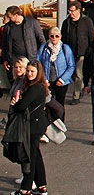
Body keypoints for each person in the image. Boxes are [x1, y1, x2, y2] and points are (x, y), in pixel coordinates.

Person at [8, 60, 50, 195]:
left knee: (29, 158)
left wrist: (15, 104)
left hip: (33, 126)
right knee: (36, 155)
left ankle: (25, 189)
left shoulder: (35, 87)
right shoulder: (38, 86)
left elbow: (21, 106)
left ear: (38, 73)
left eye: (32, 71)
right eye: (28, 71)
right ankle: (42, 185)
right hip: (37, 124)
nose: (29, 74)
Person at [37, 28, 76, 118]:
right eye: (52, 36)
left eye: (57, 36)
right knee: (48, 103)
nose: (54, 38)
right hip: (47, 81)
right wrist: (43, 79)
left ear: (60, 37)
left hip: (61, 82)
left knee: (59, 104)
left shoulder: (65, 48)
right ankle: (49, 124)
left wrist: (62, 79)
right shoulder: (43, 48)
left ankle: (60, 124)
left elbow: (71, 66)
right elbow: (38, 64)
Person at [61, 2, 94, 105]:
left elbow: (91, 36)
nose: (71, 13)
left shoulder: (86, 21)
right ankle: (81, 87)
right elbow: (64, 37)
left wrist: (91, 51)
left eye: (73, 11)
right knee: (73, 75)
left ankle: (76, 96)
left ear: (79, 10)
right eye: (69, 11)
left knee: (78, 74)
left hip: (82, 52)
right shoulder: (66, 22)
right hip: (70, 52)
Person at [2, 6, 45, 84]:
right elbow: (4, 44)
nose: (9, 19)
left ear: (16, 15)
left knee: (29, 82)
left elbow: (41, 39)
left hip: (30, 59)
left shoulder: (31, 23)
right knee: (14, 83)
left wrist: (40, 56)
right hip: (14, 60)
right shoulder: (7, 27)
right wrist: (5, 59)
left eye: (10, 17)